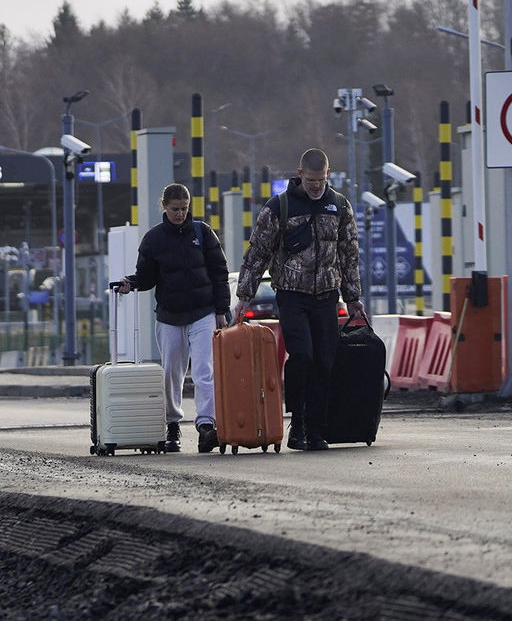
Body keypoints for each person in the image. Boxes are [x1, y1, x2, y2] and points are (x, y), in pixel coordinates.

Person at [233, 148, 366, 451]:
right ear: (299, 174)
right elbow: (257, 254)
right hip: (291, 294)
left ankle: (316, 429)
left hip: (327, 297)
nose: (316, 186)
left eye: (320, 180)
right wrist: (244, 296)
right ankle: (298, 421)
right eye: (311, 180)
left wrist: (354, 297)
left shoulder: (340, 206)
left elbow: (349, 256)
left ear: (328, 175)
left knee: (325, 362)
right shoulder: (280, 206)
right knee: (302, 355)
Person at [115, 183, 229, 453]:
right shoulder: (154, 239)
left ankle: (206, 426)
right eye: (175, 209)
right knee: (171, 374)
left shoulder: (202, 233)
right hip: (169, 316)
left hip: (203, 313)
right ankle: (173, 424)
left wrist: (222, 311)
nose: (180, 214)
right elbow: (147, 277)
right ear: (164, 207)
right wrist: (130, 282)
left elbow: (219, 272)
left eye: (184, 209)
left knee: (204, 371)